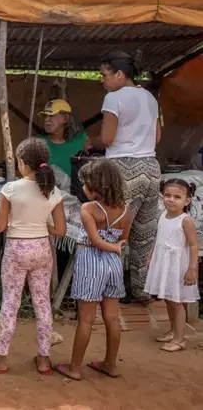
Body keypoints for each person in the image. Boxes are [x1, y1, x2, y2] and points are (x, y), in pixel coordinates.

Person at [0, 138, 66, 375]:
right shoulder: (53, 191)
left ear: (21, 163)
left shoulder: (10, 189)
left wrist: (17, 222)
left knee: (11, 302)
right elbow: (60, 230)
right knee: (42, 303)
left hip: (17, 250)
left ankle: (0, 358)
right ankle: (44, 359)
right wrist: (41, 225)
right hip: (41, 249)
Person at [87, 51, 162, 304]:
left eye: (104, 75)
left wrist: (91, 142)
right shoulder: (150, 98)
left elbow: (107, 139)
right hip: (151, 167)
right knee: (143, 233)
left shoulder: (114, 97)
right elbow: (157, 138)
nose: (102, 80)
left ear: (120, 75)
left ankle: (111, 290)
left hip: (122, 168)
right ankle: (140, 290)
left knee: (113, 231)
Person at [54, 159, 130, 381]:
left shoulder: (88, 209)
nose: (83, 188)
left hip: (91, 263)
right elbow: (125, 239)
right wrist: (116, 247)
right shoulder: (125, 209)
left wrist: (111, 245)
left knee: (86, 319)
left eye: (85, 184)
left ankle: (75, 368)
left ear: (96, 186)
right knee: (112, 318)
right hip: (114, 264)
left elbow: (95, 241)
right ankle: (110, 364)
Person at [144, 179, 200, 352]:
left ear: (187, 201)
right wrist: (152, 254)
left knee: (177, 302)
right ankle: (172, 330)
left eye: (177, 197)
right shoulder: (163, 215)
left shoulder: (186, 220)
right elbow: (159, 237)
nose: (171, 199)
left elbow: (193, 245)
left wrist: (192, 268)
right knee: (169, 299)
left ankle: (179, 339)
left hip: (177, 266)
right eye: (167, 195)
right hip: (163, 263)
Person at [40, 99, 87, 177]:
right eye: (45, 116)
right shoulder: (39, 144)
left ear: (65, 118)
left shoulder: (82, 139)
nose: (46, 119)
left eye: (51, 115)